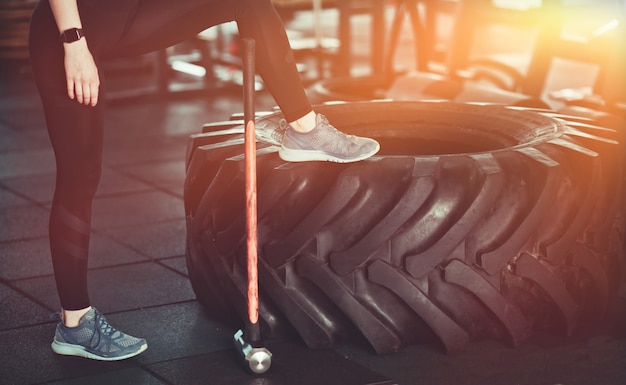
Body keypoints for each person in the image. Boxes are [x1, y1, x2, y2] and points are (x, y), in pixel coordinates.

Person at [29, 0, 379, 361]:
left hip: (122, 15)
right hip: (67, 31)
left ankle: (304, 129)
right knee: (79, 178)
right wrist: (73, 42)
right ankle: (75, 324)